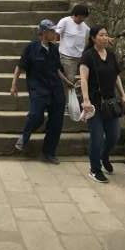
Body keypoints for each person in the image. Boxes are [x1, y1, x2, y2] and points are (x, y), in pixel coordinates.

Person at [11, 19, 74, 163]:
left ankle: (49, 153)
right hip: (38, 88)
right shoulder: (31, 48)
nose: (55, 33)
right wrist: (14, 84)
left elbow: (57, 69)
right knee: (35, 115)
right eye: (52, 31)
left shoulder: (54, 49)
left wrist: (67, 82)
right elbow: (20, 66)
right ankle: (25, 136)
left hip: (55, 88)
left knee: (56, 122)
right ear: (44, 33)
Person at [80, 26, 125, 183]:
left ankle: (104, 155)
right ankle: (95, 169)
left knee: (114, 136)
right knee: (97, 138)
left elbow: (117, 76)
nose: (105, 37)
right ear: (93, 38)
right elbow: (83, 79)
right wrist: (86, 100)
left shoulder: (112, 56)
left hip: (110, 102)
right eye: (101, 35)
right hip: (94, 104)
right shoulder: (88, 56)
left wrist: (123, 95)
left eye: (106, 35)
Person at [54, 4, 90, 90]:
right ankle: (67, 101)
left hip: (80, 57)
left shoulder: (84, 26)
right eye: (81, 17)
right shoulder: (65, 21)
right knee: (69, 81)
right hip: (67, 57)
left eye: (84, 17)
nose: (83, 19)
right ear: (75, 15)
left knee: (80, 80)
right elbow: (56, 34)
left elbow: (92, 34)